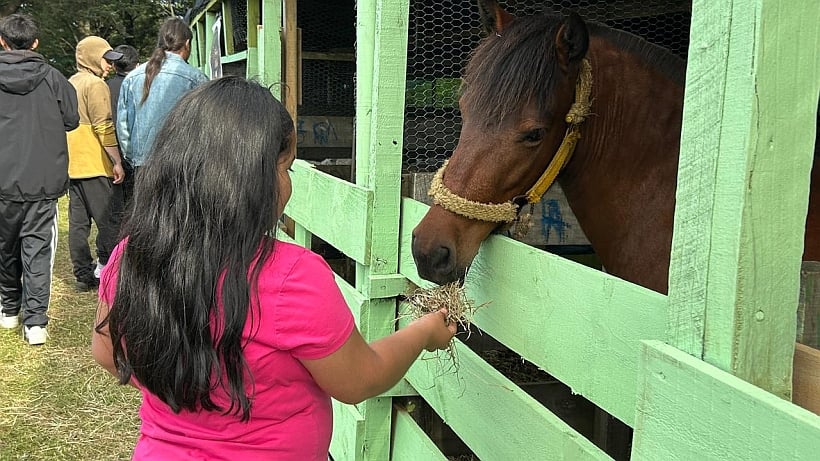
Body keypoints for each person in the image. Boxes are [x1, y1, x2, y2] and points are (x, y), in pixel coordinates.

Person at [92, 76, 457, 460]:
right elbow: (359, 379)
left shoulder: (131, 257)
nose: (288, 185)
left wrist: (191, 391)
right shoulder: (292, 277)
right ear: (249, 182)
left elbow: (105, 353)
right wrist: (423, 333)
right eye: (286, 170)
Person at [0, 14, 79, 345]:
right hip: (42, 181)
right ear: (35, 43)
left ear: (2, 42)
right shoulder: (54, 79)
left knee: (4, 247)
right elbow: (72, 120)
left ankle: (8, 309)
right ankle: (34, 323)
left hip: (3, 180)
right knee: (37, 250)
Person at [67, 36, 126, 292]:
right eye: (106, 59)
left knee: (78, 224)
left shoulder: (70, 83)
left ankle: (82, 273)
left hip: (72, 164)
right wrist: (117, 160)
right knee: (108, 221)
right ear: (92, 57)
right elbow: (104, 126)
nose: (110, 66)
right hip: (94, 162)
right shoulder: (96, 85)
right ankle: (111, 271)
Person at [116, 17, 208, 177]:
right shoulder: (196, 78)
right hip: (180, 166)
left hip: (142, 166)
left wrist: (133, 159)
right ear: (187, 44)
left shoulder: (131, 78)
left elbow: (123, 128)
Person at [106, 44, 139, 207]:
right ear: (137, 65)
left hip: (112, 152)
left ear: (113, 65)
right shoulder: (143, 85)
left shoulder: (105, 87)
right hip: (140, 153)